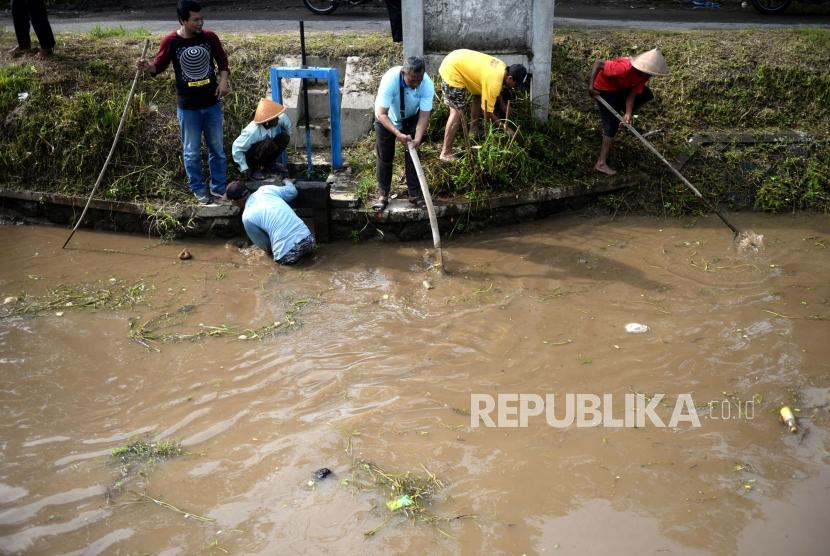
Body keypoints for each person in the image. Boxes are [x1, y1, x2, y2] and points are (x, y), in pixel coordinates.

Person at [136, 0, 230, 204]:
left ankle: (218, 188)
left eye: (202, 18)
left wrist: (223, 82)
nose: (200, 23)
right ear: (183, 20)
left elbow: (222, 62)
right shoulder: (171, 41)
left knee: (217, 149)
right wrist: (147, 66)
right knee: (191, 151)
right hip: (188, 108)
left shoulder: (210, 38)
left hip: (212, 104)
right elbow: (158, 67)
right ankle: (198, 188)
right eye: (196, 20)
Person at [588, 48, 669, 176]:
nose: (648, 75)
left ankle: (622, 116)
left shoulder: (644, 75)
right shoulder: (624, 67)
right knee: (611, 125)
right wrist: (591, 87)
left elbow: (633, 93)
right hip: (603, 89)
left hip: (619, 89)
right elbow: (598, 63)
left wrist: (628, 113)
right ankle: (601, 163)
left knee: (646, 94)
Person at [438, 49, 529, 162]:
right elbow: (486, 112)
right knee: (457, 112)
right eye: (516, 85)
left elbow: (493, 89)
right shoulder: (494, 82)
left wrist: (502, 105)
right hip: (453, 69)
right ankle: (445, 152)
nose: (515, 88)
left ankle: (473, 130)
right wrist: (506, 128)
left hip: (458, 58)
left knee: (478, 95)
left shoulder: (502, 68)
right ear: (510, 78)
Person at [372, 56, 434, 212]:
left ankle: (414, 194)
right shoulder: (390, 80)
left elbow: (424, 115)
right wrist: (397, 134)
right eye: (412, 80)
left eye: (419, 80)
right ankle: (383, 194)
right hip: (387, 119)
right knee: (385, 155)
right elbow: (381, 114)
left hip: (411, 117)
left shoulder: (426, 84)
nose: (416, 84)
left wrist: (418, 138)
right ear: (403, 73)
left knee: (413, 152)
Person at [226, 180, 316, 265]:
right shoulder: (266, 189)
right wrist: (287, 181)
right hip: (308, 239)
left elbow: (266, 246)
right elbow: (292, 192)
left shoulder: (247, 217)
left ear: (234, 201)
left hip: (287, 253)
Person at [232, 98, 293, 181]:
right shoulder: (252, 131)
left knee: (284, 138)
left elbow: (285, 119)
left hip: (263, 150)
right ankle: (256, 170)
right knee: (268, 144)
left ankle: (270, 164)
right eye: (275, 118)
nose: (278, 119)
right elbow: (236, 148)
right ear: (267, 121)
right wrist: (244, 167)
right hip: (250, 157)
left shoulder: (275, 121)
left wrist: (288, 134)